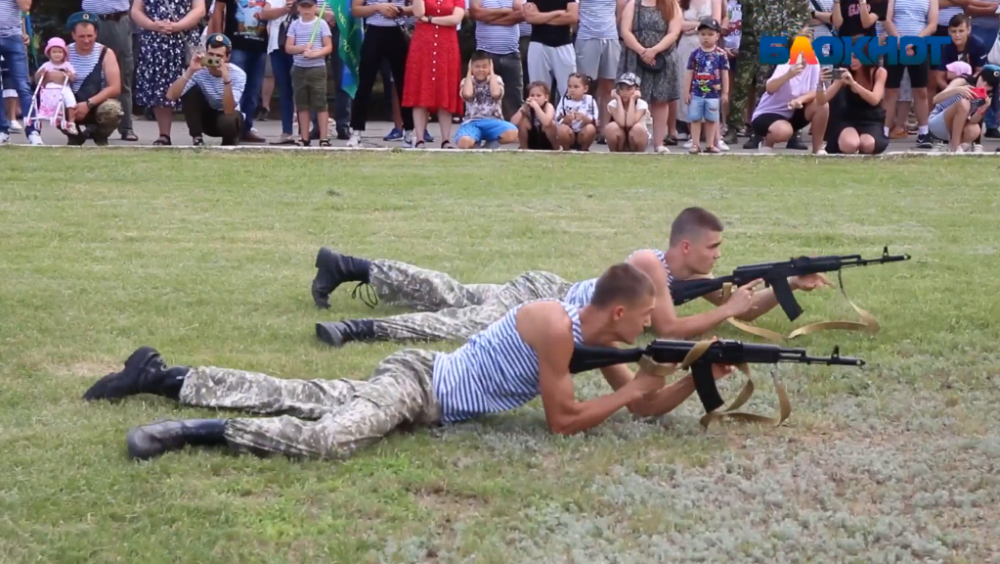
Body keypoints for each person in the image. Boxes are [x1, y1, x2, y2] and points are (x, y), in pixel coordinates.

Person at [82, 264, 736, 462]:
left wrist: (697, 375)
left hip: (421, 388)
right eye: (650, 315)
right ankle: (189, 432)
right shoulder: (549, 322)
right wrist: (636, 387)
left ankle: (165, 377)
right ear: (619, 313)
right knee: (328, 439)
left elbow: (645, 405)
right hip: (421, 382)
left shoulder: (600, 341)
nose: (657, 323)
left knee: (304, 394)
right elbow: (563, 421)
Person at [312, 206, 831, 347]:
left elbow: (738, 304)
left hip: (551, 292)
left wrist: (782, 286)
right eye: (714, 247)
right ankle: (360, 330)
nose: (720, 256)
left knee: (447, 290)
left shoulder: (687, 279)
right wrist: (728, 308)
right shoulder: (650, 264)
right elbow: (670, 330)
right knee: (462, 321)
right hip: (549, 300)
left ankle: (348, 266)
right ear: (686, 246)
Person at [131, 0, 206, 146]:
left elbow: (199, 10)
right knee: (160, 88)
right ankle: (164, 134)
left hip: (184, 39)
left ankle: (197, 134)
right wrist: (153, 25)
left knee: (192, 85)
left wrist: (177, 26)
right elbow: (136, 11)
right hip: (154, 40)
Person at [165, 33, 248, 145]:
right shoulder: (199, 70)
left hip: (228, 118)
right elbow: (170, 96)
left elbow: (229, 110)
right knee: (190, 91)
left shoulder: (238, 74)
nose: (214, 59)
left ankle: (229, 142)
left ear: (227, 57)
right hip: (207, 118)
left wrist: (226, 79)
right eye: (211, 54)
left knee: (229, 119)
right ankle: (197, 137)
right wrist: (190, 70)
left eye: (219, 56)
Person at [403, 0, 465, 148]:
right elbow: (419, 13)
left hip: (447, 45)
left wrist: (430, 19)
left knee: (445, 89)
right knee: (420, 88)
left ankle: (445, 140)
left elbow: (455, 19)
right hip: (423, 44)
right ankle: (419, 139)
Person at [63, 12, 125, 146]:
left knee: (112, 109)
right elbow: (45, 78)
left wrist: (88, 104)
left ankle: (100, 135)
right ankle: (74, 135)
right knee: (52, 104)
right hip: (71, 102)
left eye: (90, 36)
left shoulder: (106, 53)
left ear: (96, 33)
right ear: (73, 35)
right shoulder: (65, 52)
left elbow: (115, 87)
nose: (86, 40)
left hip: (97, 102)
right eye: (81, 36)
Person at [749, 54, 830, 154]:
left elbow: (816, 91)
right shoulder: (785, 63)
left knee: (822, 103)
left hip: (794, 111)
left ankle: (817, 149)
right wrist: (789, 75)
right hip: (770, 113)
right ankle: (766, 144)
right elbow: (770, 88)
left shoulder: (813, 61)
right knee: (783, 132)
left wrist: (801, 99)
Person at [817, 48, 890, 154]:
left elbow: (874, 100)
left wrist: (853, 84)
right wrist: (820, 83)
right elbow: (822, 100)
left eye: (855, 57)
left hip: (870, 119)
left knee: (867, 145)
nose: (852, 61)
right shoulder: (844, 71)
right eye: (849, 57)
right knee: (850, 145)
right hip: (847, 117)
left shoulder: (879, 72)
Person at [284, 0, 334, 146]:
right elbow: (288, 47)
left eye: (310, 6)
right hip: (299, 68)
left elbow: (328, 46)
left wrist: (316, 54)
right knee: (302, 105)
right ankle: (304, 137)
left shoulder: (322, 24)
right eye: (303, 6)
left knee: (320, 103)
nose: (306, 10)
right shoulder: (294, 24)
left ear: (315, 7)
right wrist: (302, 48)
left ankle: (324, 138)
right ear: (298, 7)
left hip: (317, 68)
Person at [454, 50, 520, 148]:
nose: (481, 70)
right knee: (464, 142)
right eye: (477, 66)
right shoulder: (466, 81)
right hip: (472, 122)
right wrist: (469, 72)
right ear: (471, 67)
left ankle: (488, 148)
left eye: (484, 66)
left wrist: (492, 72)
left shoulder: (497, 79)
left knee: (513, 132)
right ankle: (476, 146)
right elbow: (467, 94)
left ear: (490, 67)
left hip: (493, 122)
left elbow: (496, 93)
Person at [928, 63, 1000, 151]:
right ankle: (955, 148)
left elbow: (973, 120)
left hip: (957, 125)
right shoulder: (963, 81)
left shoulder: (987, 96)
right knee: (963, 103)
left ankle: (954, 146)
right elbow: (935, 99)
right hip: (938, 120)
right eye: (983, 80)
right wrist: (958, 90)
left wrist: (982, 109)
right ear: (979, 75)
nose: (983, 85)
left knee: (975, 130)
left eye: (989, 85)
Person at [683, 16, 729, 153]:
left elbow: (725, 73)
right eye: (702, 34)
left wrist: (725, 92)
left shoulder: (721, 54)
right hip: (696, 92)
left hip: (713, 93)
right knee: (695, 118)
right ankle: (695, 144)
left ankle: (710, 144)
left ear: (717, 36)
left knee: (711, 119)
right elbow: (689, 72)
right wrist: (687, 91)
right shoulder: (695, 54)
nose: (706, 38)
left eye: (710, 34)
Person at [0, 0, 42, 146]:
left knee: (23, 86)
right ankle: (2, 131)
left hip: (13, 38)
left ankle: (33, 131)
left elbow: (25, 6)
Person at [33, 37, 79, 135]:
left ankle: (71, 122)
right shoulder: (46, 65)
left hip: (64, 88)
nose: (57, 54)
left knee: (71, 102)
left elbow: (74, 78)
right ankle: (46, 114)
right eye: (54, 52)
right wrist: (41, 74)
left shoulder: (67, 65)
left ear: (64, 54)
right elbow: (37, 78)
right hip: (49, 88)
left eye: (60, 52)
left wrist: (70, 75)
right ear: (49, 53)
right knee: (46, 98)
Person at [603, 72, 650, 151]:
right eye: (621, 88)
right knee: (611, 127)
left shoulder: (642, 104)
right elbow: (621, 123)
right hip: (621, 138)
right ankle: (615, 155)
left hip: (636, 137)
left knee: (637, 128)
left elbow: (629, 124)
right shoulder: (613, 104)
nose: (624, 92)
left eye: (628, 89)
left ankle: (638, 156)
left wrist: (632, 100)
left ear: (637, 90)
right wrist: (618, 99)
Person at [555, 72, 600, 149]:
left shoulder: (590, 100)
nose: (572, 90)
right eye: (569, 86)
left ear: (585, 89)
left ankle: (584, 150)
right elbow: (557, 119)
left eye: (576, 87)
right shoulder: (564, 100)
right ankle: (566, 150)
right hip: (569, 132)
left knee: (590, 128)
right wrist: (566, 119)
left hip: (583, 132)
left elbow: (595, 122)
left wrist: (584, 118)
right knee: (562, 129)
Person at [511, 80, 559, 149]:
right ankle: (524, 149)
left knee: (550, 125)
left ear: (546, 98)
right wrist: (522, 110)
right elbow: (513, 123)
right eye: (532, 95)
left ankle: (557, 149)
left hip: (547, 139)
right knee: (522, 122)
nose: (535, 98)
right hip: (533, 138)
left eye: (538, 95)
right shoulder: (527, 106)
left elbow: (546, 122)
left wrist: (536, 107)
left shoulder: (548, 106)